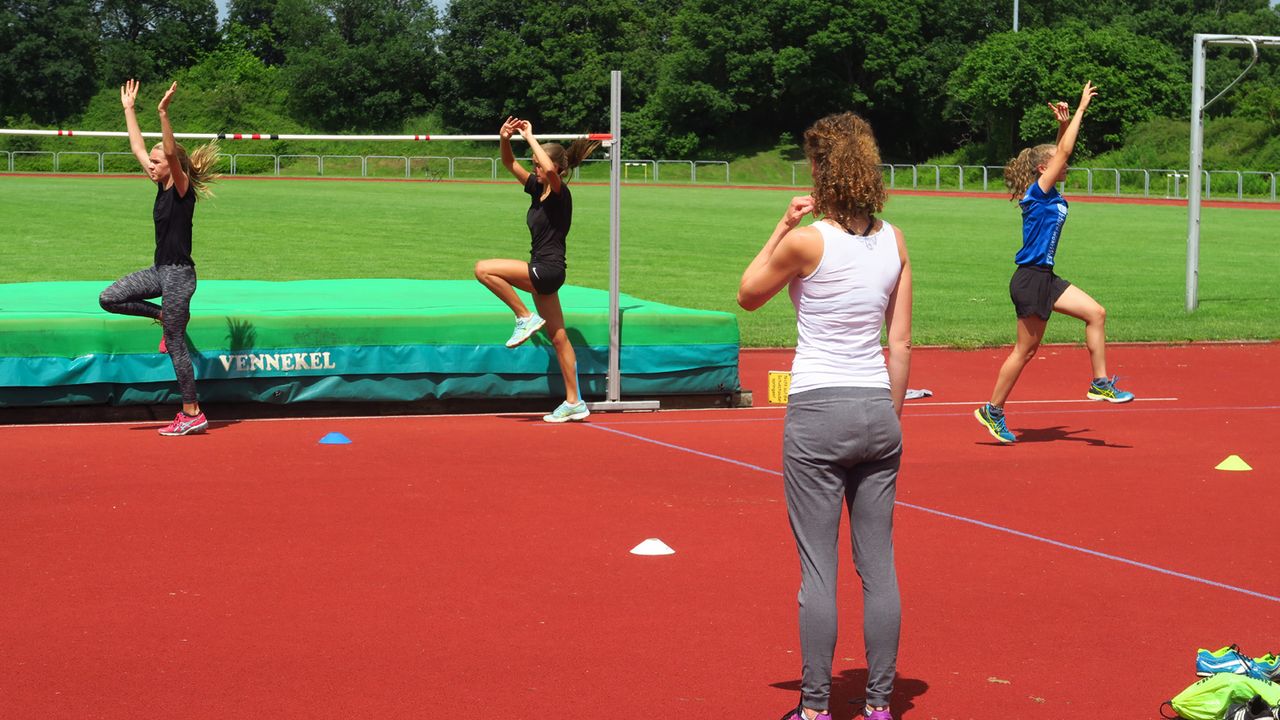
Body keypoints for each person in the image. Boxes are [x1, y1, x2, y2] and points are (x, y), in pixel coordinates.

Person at [737, 112, 912, 720]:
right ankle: (881, 707)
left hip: (817, 408)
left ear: (824, 171)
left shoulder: (807, 239)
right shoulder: (894, 240)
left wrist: (781, 224)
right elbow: (902, 344)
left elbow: (748, 293)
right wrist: (888, 419)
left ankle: (814, 709)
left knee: (819, 568)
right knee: (879, 567)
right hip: (876, 408)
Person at [974, 81, 1134, 444]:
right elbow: (1062, 152)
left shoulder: (1050, 191)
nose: (1068, 164)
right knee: (1026, 351)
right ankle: (992, 410)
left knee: (1096, 313)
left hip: (1046, 277)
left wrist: (1061, 126)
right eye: (1061, 162)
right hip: (1030, 279)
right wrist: (1079, 111)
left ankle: (1100, 383)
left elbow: (1059, 151)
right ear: (1046, 168)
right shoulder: (1038, 191)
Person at [98, 80, 218, 436]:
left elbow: (166, 148)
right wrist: (128, 110)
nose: (149, 166)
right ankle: (162, 314)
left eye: (156, 162)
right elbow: (138, 146)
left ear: (170, 165)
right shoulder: (159, 182)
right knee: (109, 298)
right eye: (149, 163)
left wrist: (164, 114)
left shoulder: (182, 190)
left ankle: (192, 412)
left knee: (176, 343)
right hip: (160, 271)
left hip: (180, 276)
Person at [474, 117, 599, 423]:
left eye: (538, 164)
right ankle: (575, 402)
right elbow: (508, 163)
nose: (534, 169)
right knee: (559, 338)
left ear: (553, 167)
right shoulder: (537, 188)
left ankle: (524, 316)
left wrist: (531, 137)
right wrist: (505, 138)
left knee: (484, 269)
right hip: (547, 272)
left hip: (547, 269)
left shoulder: (559, 193)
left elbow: (551, 169)